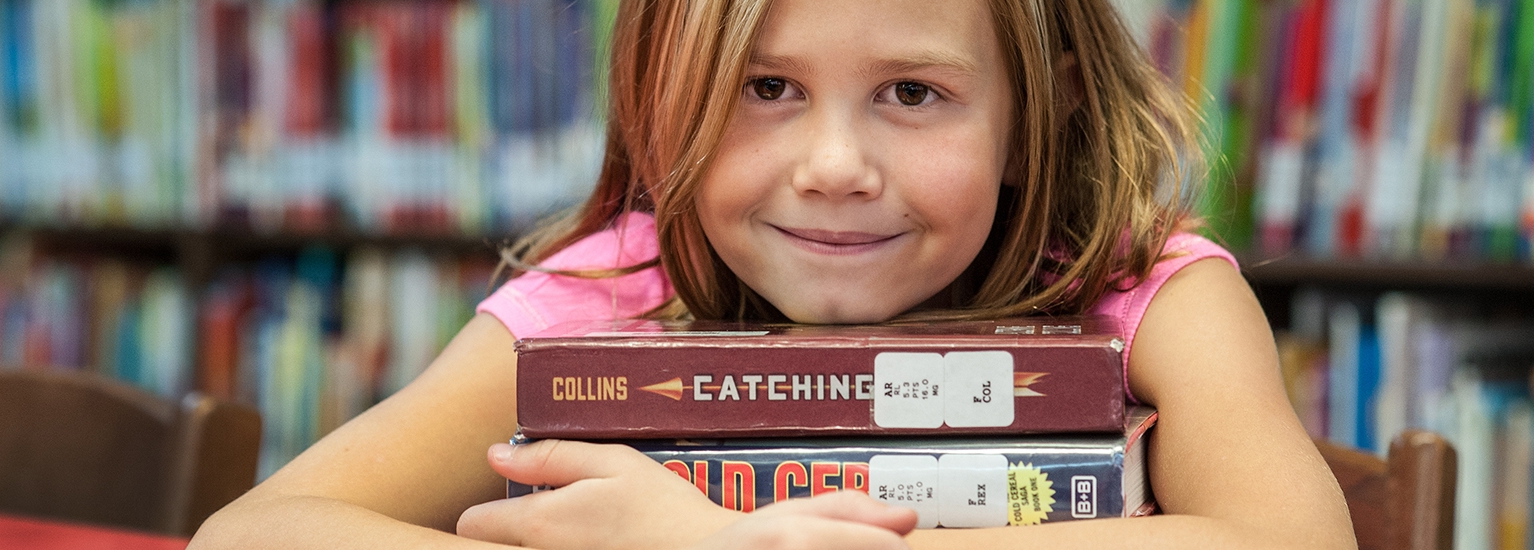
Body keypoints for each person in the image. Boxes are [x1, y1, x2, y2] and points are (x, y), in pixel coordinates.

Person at [189, 0, 1356, 548]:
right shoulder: (604, 298)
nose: (833, 167)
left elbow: (1291, 541)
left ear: (1036, 102)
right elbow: (252, 536)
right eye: (765, 89)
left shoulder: (1150, 292)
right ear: (662, 97)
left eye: (913, 93)